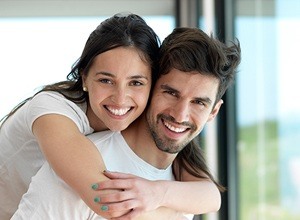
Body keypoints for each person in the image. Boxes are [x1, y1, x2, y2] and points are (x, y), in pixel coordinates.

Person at [11, 27, 241, 219]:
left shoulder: (181, 189)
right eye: (171, 93)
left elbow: (212, 197)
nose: (180, 115)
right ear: (151, 89)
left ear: (213, 112)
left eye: (199, 102)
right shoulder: (78, 162)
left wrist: (160, 194)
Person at [0, 13, 160, 219]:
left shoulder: (144, 118)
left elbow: (208, 193)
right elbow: (108, 203)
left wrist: (162, 193)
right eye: (106, 80)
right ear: (84, 77)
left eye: (136, 83)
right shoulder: (52, 110)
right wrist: (178, 212)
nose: (120, 99)